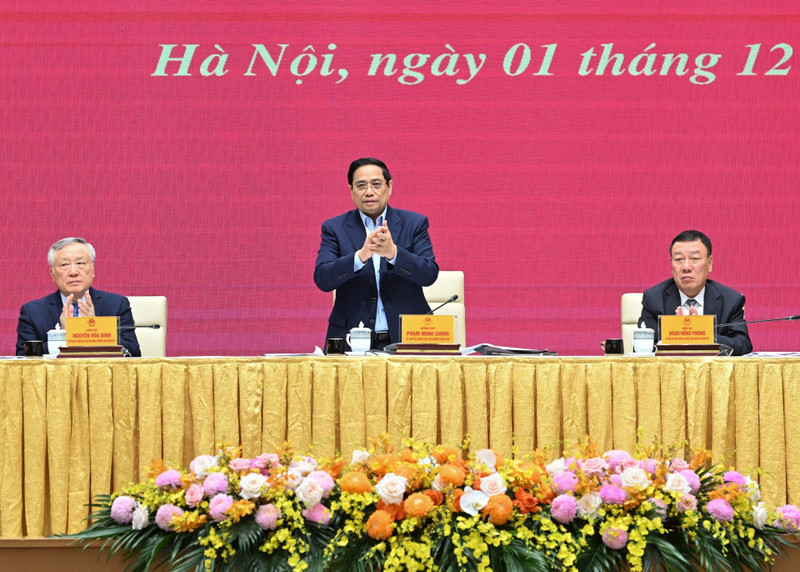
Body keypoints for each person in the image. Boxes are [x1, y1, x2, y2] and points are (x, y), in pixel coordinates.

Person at [314, 158, 439, 349]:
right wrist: (360, 257)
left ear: (389, 187)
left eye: (376, 184)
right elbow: (323, 279)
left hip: (407, 337)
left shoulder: (414, 224)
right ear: (351, 190)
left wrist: (394, 254)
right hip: (351, 338)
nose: (369, 192)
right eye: (361, 185)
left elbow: (429, 274)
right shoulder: (334, 228)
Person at [16, 237, 141, 356]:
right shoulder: (33, 311)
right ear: (52, 274)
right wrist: (63, 336)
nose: (73, 272)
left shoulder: (116, 305)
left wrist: (95, 329)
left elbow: (133, 353)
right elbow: (23, 360)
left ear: (92, 269)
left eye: (80, 263)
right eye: (64, 265)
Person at [639, 230, 752, 356]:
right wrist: (677, 338)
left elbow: (743, 345)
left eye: (695, 258)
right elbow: (641, 347)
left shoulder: (731, 300)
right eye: (679, 259)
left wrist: (701, 335)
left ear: (709, 263)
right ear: (671, 265)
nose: (686, 267)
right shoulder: (654, 299)